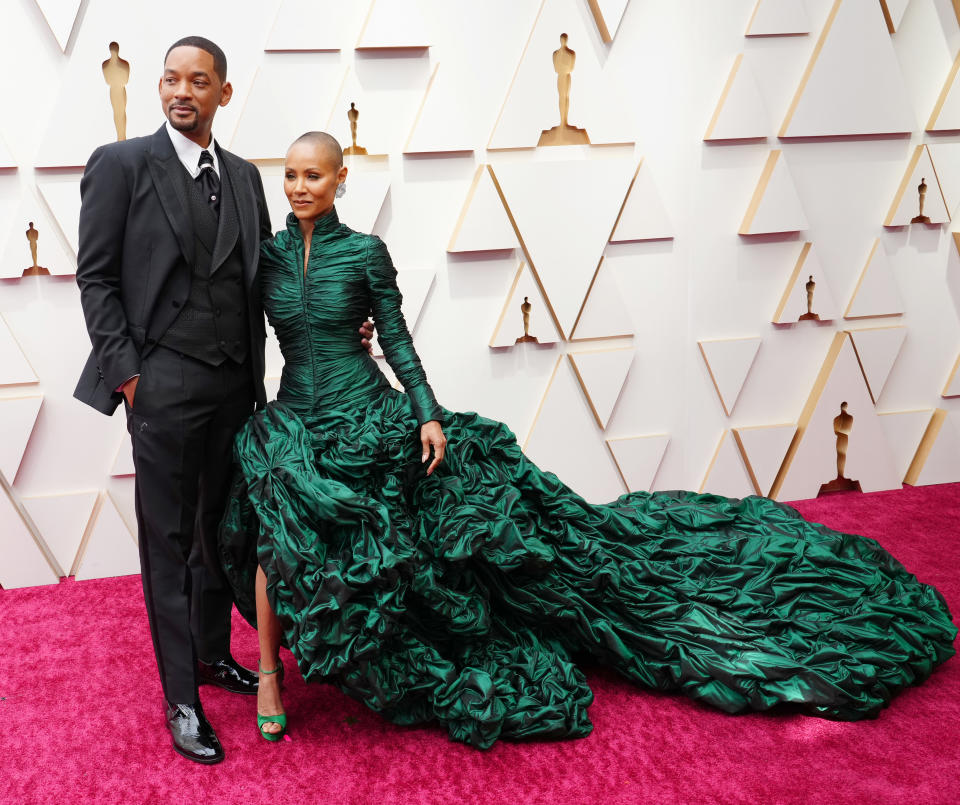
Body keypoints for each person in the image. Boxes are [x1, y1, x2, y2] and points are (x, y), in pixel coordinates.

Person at [219, 132, 956, 749]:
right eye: (289, 175)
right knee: (275, 538)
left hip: (368, 413)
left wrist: (429, 413)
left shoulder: (366, 253)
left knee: (452, 540)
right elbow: (253, 336)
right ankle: (272, 676)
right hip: (295, 421)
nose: (297, 186)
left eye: (312, 174)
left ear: (341, 179)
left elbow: (400, 341)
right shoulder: (272, 257)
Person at [74, 40, 373, 764]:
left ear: (223, 95)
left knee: (221, 530)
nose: (183, 90)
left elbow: (262, 277)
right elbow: (95, 277)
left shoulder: (242, 177)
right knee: (169, 541)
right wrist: (129, 375)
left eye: (198, 80)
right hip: (162, 383)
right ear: (160, 88)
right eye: (172, 78)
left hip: (236, 384)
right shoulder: (119, 165)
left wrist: (340, 317)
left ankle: (212, 653)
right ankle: (182, 694)